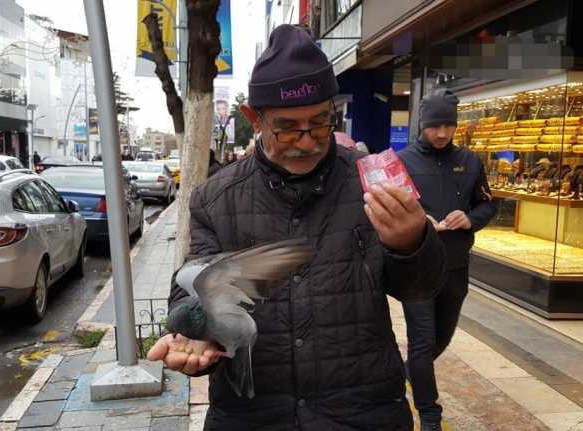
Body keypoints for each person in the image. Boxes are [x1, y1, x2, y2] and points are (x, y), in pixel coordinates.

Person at [148, 24, 447, 431]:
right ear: (254, 118)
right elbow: (192, 289)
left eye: (320, 123)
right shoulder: (215, 199)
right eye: (287, 126)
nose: (306, 142)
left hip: (362, 412)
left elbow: (421, 288)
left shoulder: (371, 182)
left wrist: (411, 243)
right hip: (252, 414)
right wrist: (197, 336)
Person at [397, 89, 496, 431]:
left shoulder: (470, 161)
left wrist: (471, 219)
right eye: (435, 125)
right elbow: (388, 206)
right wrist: (418, 219)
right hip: (418, 266)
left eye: (448, 125)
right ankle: (429, 415)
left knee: (442, 336)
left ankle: (401, 377)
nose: (441, 133)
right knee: (422, 342)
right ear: (423, 124)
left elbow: (487, 203)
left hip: (456, 266)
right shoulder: (403, 161)